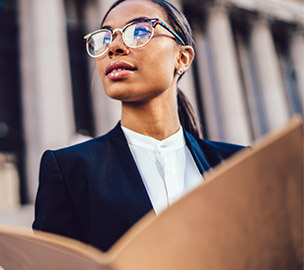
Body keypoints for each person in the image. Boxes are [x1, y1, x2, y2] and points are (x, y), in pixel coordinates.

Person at [32, 0, 245, 252]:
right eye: (105, 37)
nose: (113, 47)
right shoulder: (68, 171)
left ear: (183, 57)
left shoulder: (238, 164)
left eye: (140, 31)